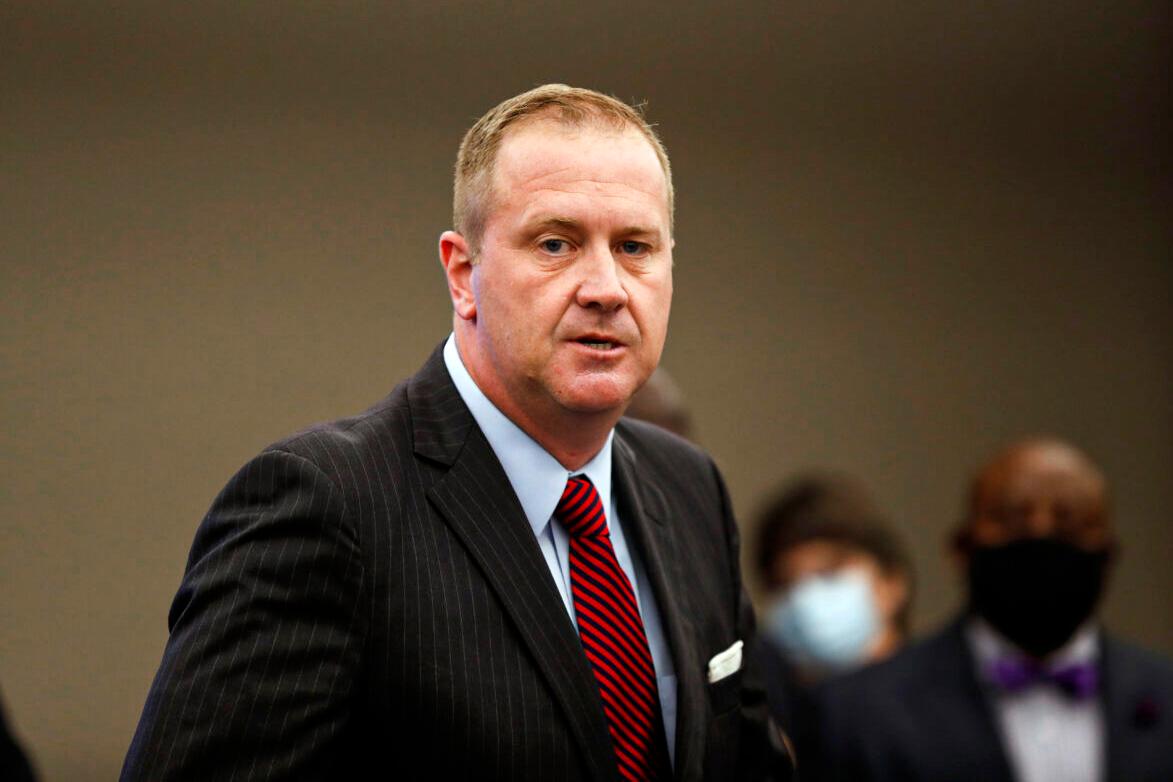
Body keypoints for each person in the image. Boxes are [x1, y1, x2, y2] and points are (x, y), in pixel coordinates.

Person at [122, 84, 787, 781]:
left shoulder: (689, 491)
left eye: (634, 246)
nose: (606, 287)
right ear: (463, 274)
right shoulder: (328, 506)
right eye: (556, 243)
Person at [811, 437, 1173, 782]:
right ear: (961, 548)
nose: (1040, 534)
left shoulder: (1164, 695)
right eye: (1012, 518)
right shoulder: (860, 712)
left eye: (1069, 521)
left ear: (1107, 553)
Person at [750, 475, 912, 766]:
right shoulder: (772, 741)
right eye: (785, 584)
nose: (806, 600)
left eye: (828, 573)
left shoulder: (956, 713)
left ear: (892, 581)